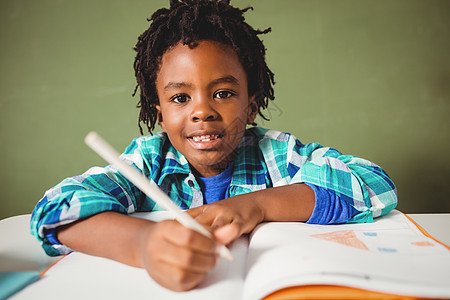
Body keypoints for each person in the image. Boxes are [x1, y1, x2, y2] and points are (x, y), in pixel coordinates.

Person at [30, 0, 397, 292]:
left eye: (223, 93)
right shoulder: (146, 162)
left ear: (251, 105)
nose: (202, 110)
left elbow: (373, 185)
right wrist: (143, 245)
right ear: (158, 115)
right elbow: (53, 212)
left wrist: (256, 205)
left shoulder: (278, 155)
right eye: (180, 98)